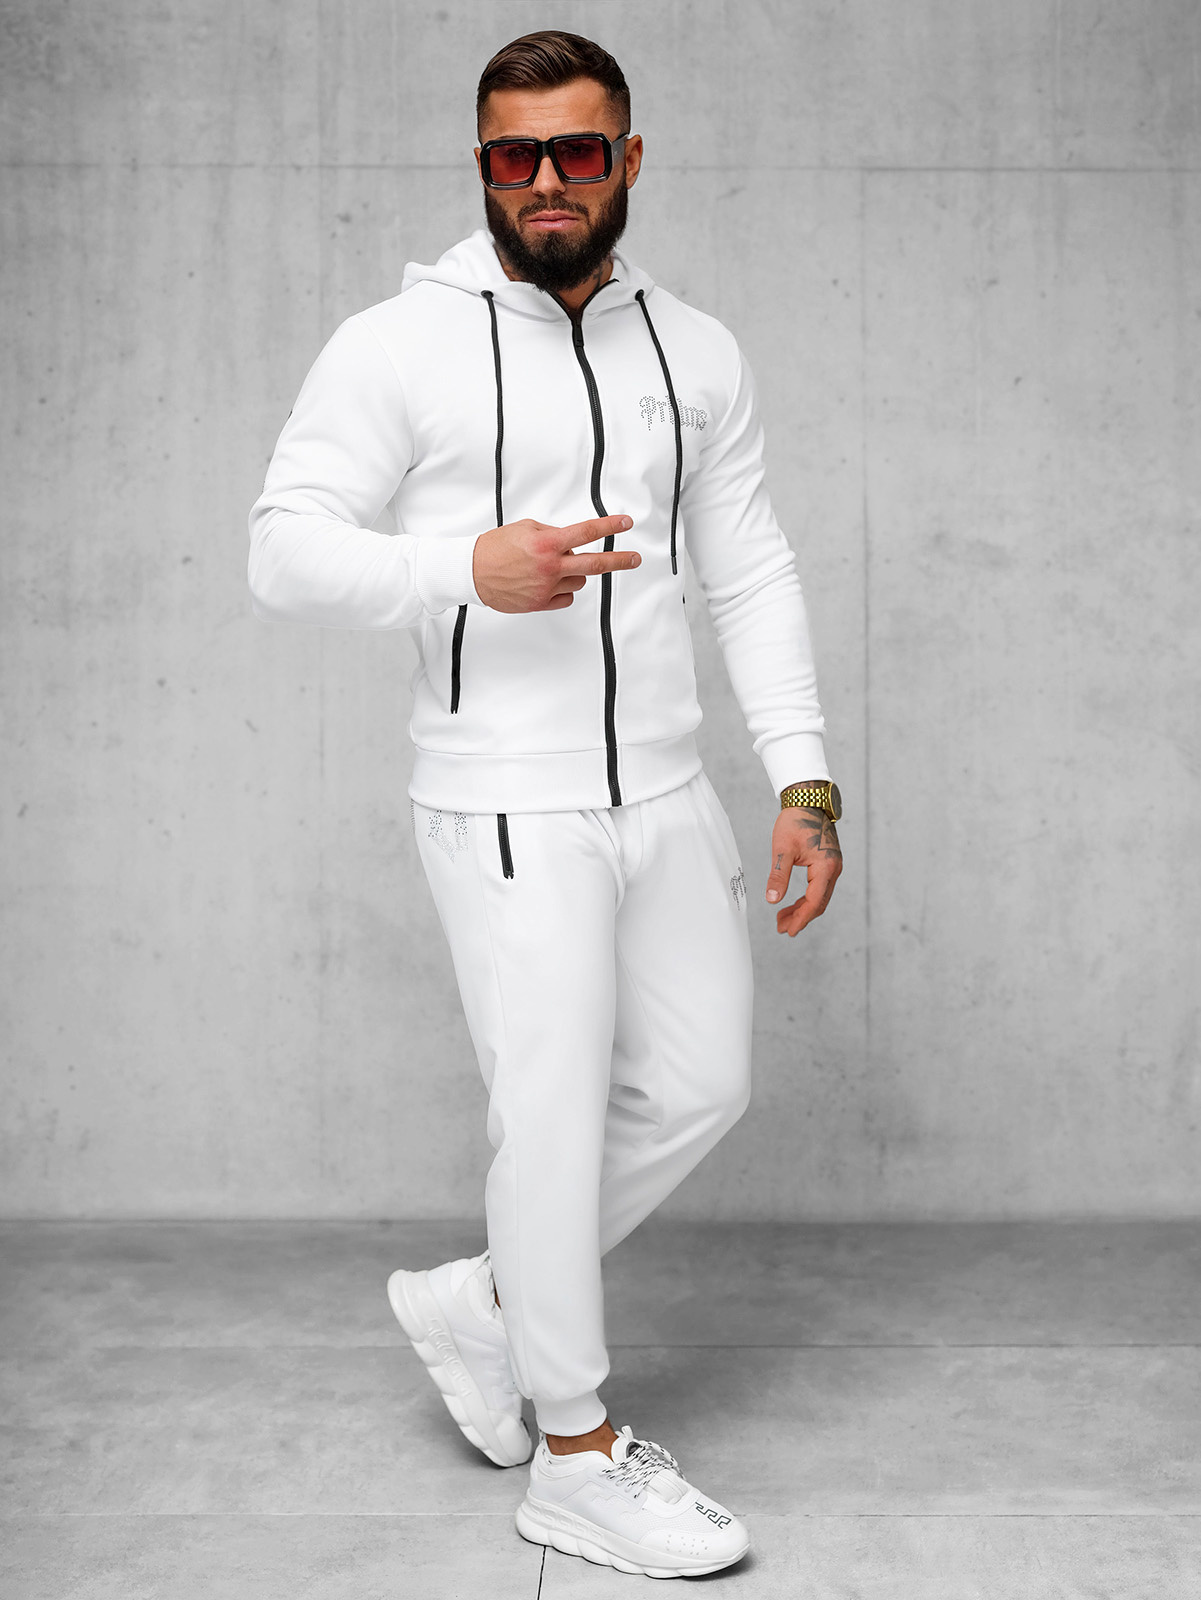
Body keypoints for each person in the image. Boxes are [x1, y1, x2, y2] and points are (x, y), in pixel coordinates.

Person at [247, 28, 842, 1580]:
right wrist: (464, 568)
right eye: (514, 156)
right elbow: (282, 547)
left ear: (626, 160)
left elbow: (749, 569)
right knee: (554, 1120)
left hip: (665, 789)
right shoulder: (398, 344)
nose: (546, 182)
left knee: (700, 1085)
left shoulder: (695, 349)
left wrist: (802, 775)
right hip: (505, 806)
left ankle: (487, 1301)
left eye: (577, 151)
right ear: (482, 166)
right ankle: (573, 1456)